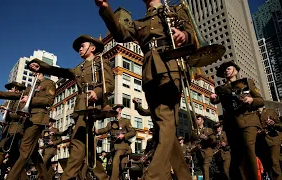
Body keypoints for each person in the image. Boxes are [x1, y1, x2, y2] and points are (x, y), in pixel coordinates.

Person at [94, 0, 196, 179]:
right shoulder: (139, 23)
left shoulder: (175, 10)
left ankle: (153, 176)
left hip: (169, 68)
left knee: (165, 122)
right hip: (149, 73)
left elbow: (193, 38)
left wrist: (185, 36)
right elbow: (121, 34)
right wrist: (105, 8)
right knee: (163, 128)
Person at [28, 34, 113, 180]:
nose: (80, 49)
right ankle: (103, 177)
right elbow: (60, 71)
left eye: (82, 46)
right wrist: (41, 66)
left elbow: (109, 84)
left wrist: (96, 93)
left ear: (92, 48)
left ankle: (66, 177)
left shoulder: (100, 62)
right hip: (79, 108)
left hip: (92, 106)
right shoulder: (78, 68)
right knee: (87, 145)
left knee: (78, 143)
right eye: (79, 47)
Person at [0, 71, 56, 180]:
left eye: (36, 69)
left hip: (36, 119)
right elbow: (17, 95)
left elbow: (49, 101)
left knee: (26, 151)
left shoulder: (49, 83)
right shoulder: (29, 88)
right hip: (27, 121)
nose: (34, 72)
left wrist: (30, 100)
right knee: (28, 153)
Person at [210, 61, 264, 180]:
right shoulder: (222, 89)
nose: (226, 71)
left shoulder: (247, 82)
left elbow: (260, 100)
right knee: (237, 156)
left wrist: (251, 100)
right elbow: (216, 100)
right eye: (224, 70)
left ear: (236, 70)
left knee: (249, 151)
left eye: (228, 68)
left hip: (248, 121)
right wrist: (213, 98)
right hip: (232, 125)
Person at [96, 104, 136, 180]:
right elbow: (104, 130)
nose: (114, 110)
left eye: (116, 109)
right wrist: (96, 131)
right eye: (113, 109)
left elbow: (133, 132)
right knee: (121, 167)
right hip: (114, 148)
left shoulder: (126, 121)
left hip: (123, 147)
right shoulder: (110, 123)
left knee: (116, 159)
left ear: (120, 110)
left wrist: (124, 136)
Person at [257, 108, 282, 180]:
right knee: (268, 165)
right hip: (261, 143)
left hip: (273, 140)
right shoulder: (253, 114)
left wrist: (273, 124)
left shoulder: (270, 111)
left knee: (274, 161)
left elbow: (280, 125)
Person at [190, 115, 215, 180]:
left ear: (202, 121)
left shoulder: (208, 130)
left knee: (205, 167)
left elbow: (213, 140)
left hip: (207, 152)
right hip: (199, 153)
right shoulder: (194, 132)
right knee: (203, 169)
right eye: (196, 119)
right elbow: (191, 141)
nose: (196, 121)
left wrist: (206, 138)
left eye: (198, 119)